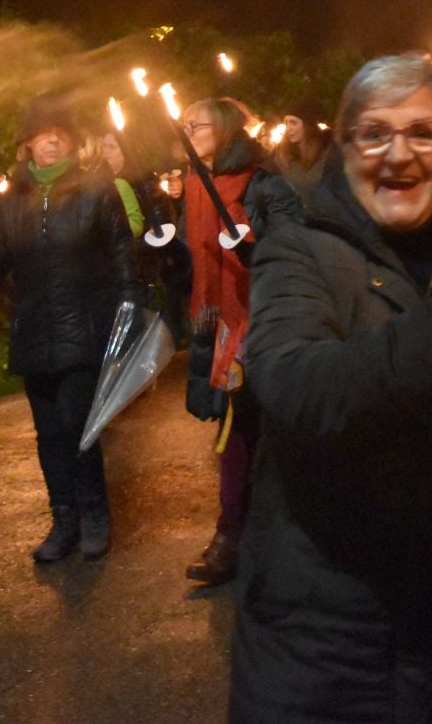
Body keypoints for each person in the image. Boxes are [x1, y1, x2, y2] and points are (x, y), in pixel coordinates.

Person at [229, 53, 432, 722]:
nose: (397, 153)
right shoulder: (298, 252)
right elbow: (299, 388)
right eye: (374, 133)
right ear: (346, 145)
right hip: (325, 647)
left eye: (423, 132)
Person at [0, 96, 144, 562]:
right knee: (48, 434)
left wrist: (129, 315)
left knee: (77, 426)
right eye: (42, 133)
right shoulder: (10, 201)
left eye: (59, 132)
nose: (51, 140)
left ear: (70, 139)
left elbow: (121, 256)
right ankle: (63, 520)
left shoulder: (94, 189)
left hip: (82, 329)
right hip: (34, 330)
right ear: (27, 143)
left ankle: (95, 516)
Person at [175, 96, 303, 587]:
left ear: (225, 130)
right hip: (223, 326)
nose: (188, 131)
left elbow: (294, 250)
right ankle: (232, 534)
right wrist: (169, 259)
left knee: (271, 430)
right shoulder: (192, 186)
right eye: (184, 124)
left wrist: (254, 250)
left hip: (265, 321)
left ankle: (280, 537)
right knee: (234, 431)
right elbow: (195, 259)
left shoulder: (263, 184)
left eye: (197, 124)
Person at [272, 100, 333, 199]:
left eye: (293, 123)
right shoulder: (281, 156)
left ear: (308, 125)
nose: (289, 128)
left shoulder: (328, 154)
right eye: (286, 123)